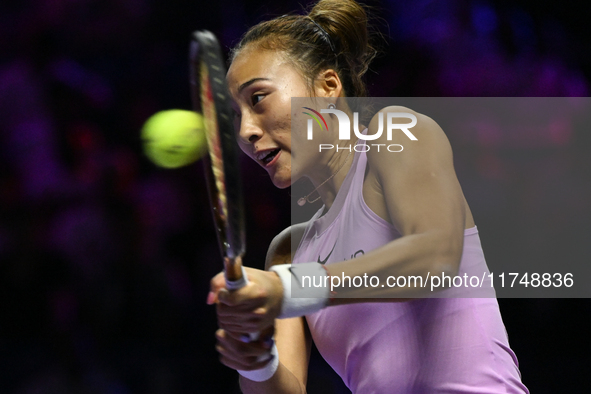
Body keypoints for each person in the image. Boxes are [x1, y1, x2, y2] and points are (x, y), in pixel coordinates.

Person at [207, 0, 529, 392]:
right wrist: (256, 361)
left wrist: (289, 289)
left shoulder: (398, 132)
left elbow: (435, 258)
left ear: (328, 87)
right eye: (235, 115)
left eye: (257, 98)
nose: (245, 131)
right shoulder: (289, 252)